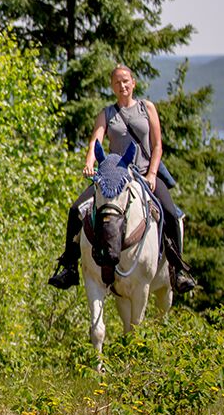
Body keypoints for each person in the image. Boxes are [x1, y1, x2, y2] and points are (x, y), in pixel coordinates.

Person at [47, 64, 196, 293]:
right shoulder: (107, 114)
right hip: (115, 176)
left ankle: (177, 271)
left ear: (133, 83)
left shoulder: (147, 109)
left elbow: (157, 146)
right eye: (117, 82)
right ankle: (69, 267)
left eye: (125, 81)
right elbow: (95, 141)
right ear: (112, 87)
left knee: (170, 213)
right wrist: (89, 163)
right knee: (76, 210)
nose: (122, 85)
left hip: (146, 174)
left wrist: (153, 174)